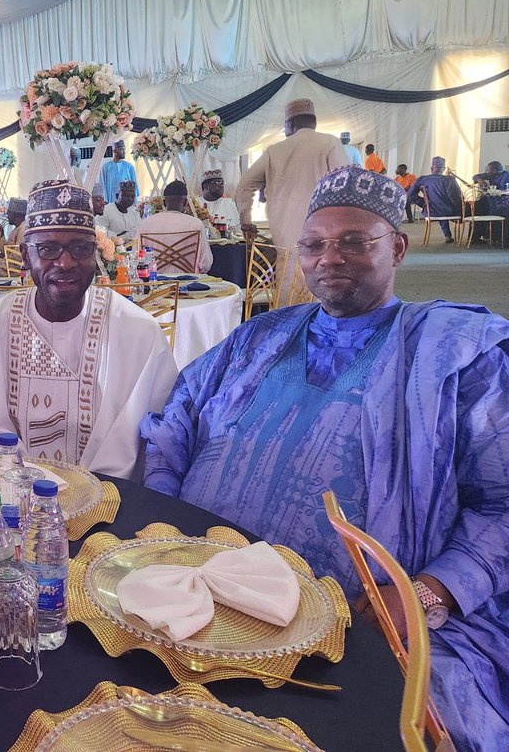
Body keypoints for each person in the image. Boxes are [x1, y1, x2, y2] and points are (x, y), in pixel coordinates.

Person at [142, 166, 509, 751]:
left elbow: (502, 505)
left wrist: (425, 594)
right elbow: (174, 420)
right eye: (313, 244)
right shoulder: (260, 335)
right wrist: (163, 517)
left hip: (358, 616)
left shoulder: (460, 359)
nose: (328, 257)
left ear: (397, 248)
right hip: (202, 585)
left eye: (353, 242)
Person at [0, 180, 177, 475]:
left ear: (95, 253)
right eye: (48, 249)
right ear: (25, 255)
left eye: (80, 248)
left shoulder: (138, 334)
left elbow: (159, 450)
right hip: (9, 503)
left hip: (113, 505)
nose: (65, 263)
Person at [236, 98, 350, 251]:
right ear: (314, 122)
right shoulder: (331, 143)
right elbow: (345, 186)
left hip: (284, 233)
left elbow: (244, 186)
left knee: (287, 271)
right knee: (322, 272)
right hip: (325, 230)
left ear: (290, 124)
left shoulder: (274, 151)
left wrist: (246, 221)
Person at [136, 181, 213, 274]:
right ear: (186, 203)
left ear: (164, 203)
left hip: (155, 284)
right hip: (189, 285)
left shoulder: (145, 224)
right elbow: (206, 264)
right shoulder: (196, 224)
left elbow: (136, 259)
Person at [407, 157, 463, 243]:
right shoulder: (449, 180)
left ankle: (447, 235)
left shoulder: (422, 179)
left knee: (439, 206)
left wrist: (424, 204)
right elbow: (456, 198)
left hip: (430, 211)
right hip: (449, 211)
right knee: (449, 207)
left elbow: (410, 195)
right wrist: (460, 210)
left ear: (431, 169)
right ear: (443, 169)